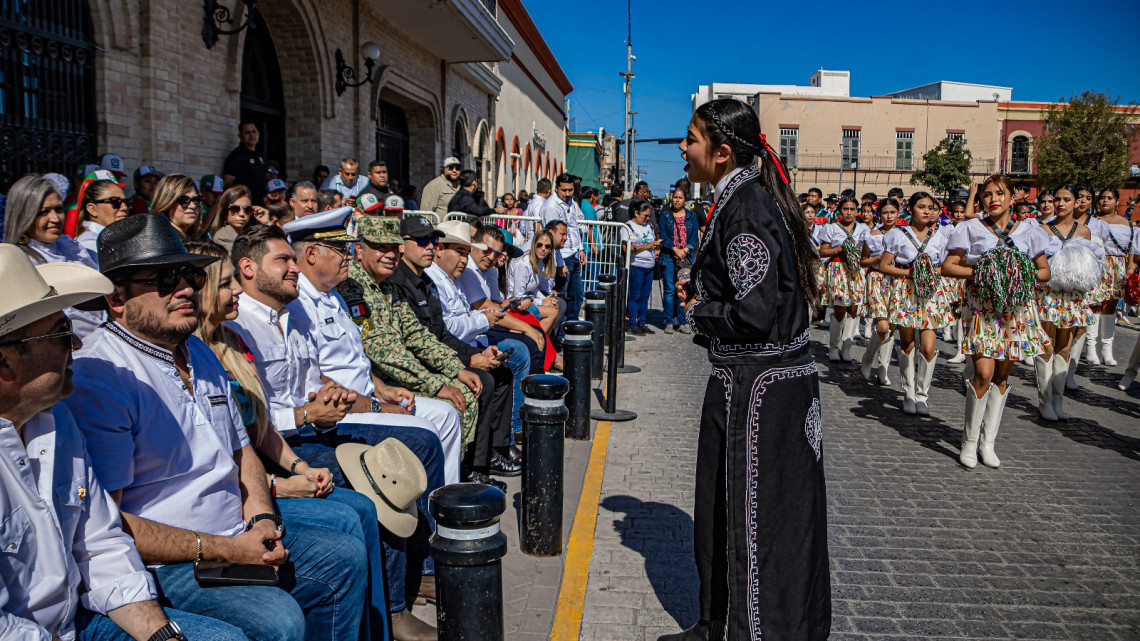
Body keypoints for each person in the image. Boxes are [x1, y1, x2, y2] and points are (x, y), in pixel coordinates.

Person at [64, 214, 368, 641]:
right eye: (166, 279)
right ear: (118, 298)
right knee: (278, 619)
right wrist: (226, 548)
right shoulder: (103, 375)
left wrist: (262, 518)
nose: (187, 288)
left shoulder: (197, 352)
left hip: (235, 534)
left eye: (188, 274)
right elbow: (109, 523)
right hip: (171, 563)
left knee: (345, 555)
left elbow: (242, 450)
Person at [0, 245, 250, 641]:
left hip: (76, 619)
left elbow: (100, 541)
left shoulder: (56, 420)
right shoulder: (96, 381)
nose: (76, 345)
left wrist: (160, 633)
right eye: (62, 333)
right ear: (5, 362)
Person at [225, 225, 447, 641]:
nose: (294, 267)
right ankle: (393, 610)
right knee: (376, 483)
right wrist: (308, 414)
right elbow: (253, 412)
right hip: (283, 442)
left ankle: (419, 572)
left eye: (293, 259)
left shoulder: (289, 315)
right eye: (284, 260)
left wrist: (336, 396)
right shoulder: (240, 328)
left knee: (420, 442)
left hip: (315, 427)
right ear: (248, 268)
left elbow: (310, 375)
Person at [664, 98, 828, 641]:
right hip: (750, 384)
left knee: (759, 521)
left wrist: (701, 311)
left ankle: (754, 631)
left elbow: (754, 314)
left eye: (691, 139)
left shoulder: (748, 207)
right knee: (719, 509)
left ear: (722, 151)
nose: (684, 149)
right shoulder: (741, 202)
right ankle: (715, 622)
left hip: (759, 395)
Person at [335, 217, 487, 468]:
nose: (390, 254)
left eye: (394, 248)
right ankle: (434, 483)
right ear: (359, 250)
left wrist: (456, 367)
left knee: (467, 392)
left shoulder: (387, 287)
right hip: (375, 383)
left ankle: (451, 477)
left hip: (394, 378)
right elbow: (382, 351)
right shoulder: (353, 288)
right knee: (456, 402)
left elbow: (417, 335)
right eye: (381, 247)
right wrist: (436, 384)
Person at [942, 174, 1051, 469]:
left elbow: (1044, 272)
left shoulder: (1030, 230)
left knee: (1002, 376)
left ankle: (988, 442)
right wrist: (985, 272)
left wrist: (1019, 271)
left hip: (1015, 309)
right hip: (982, 306)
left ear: (1012, 198)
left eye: (999, 193)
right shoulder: (970, 227)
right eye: (987, 195)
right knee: (983, 373)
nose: (993, 199)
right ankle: (968, 442)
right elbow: (949, 266)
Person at [3, 174, 105, 338]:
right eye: (44, 212)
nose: (55, 218)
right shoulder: (18, 263)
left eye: (58, 209)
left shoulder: (71, 248)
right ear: (24, 215)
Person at [879, 192, 953, 415]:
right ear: (910, 209)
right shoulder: (897, 235)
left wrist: (929, 271)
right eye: (922, 207)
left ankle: (923, 395)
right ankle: (908, 392)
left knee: (929, 347)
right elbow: (884, 266)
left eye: (930, 207)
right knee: (908, 343)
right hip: (907, 291)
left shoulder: (940, 236)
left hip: (931, 292)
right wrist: (910, 272)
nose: (927, 211)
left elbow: (945, 267)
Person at [1033, 185, 1102, 421]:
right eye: (1057, 199)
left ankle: (1058, 399)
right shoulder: (1042, 230)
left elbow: (1089, 266)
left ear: (1076, 202)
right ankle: (1044, 401)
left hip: (1073, 297)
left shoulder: (1084, 232)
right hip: (1048, 294)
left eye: (1066, 199)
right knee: (1047, 345)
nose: (1061, 204)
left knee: (1065, 347)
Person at [817, 195, 870, 361]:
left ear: (857, 211)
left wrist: (858, 253)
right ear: (840, 211)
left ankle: (846, 348)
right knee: (840, 306)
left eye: (852, 209)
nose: (849, 212)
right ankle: (834, 347)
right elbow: (823, 251)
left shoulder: (863, 229)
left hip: (856, 270)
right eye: (845, 209)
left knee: (854, 308)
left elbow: (867, 252)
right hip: (838, 269)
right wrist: (840, 249)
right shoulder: (831, 228)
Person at [1089, 187, 1131, 366]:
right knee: (1095, 305)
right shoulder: (1091, 221)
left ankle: (1107, 348)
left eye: (1110, 198)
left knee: (1111, 306)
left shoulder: (1125, 222)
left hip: (1118, 266)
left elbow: (1130, 249)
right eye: (1102, 197)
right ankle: (1091, 348)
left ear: (1116, 201)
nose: (1105, 200)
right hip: (1098, 263)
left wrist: (1130, 268)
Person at [859, 198, 899, 385]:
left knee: (891, 327)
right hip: (877, 279)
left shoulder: (903, 234)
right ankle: (868, 357)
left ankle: (883, 367)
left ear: (898, 213)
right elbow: (863, 260)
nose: (889, 216)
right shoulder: (872, 235)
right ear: (880, 214)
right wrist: (878, 258)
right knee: (882, 326)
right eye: (885, 212)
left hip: (897, 280)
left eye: (892, 212)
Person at [540, 173, 587, 320]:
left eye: (570, 190)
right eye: (564, 190)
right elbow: (553, 239)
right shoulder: (551, 206)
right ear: (556, 188)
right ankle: (559, 332)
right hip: (562, 255)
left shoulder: (571, 202)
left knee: (576, 295)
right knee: (560, 295)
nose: (567, 194)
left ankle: (572, 326)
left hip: (573, 253)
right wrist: (559, 263)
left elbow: (575, 225)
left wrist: (581, 249)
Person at [507, 229, 564, 336]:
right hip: (514, 304)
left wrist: (545, 299)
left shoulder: (539, 261)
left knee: (556, 305)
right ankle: (537, 341)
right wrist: (542, 302)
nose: (543, 249)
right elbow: (518, 296)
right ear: (534, 245)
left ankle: (542, 342)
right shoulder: (524, 264)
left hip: (527, 299)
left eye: (547, 247)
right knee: (553, 312)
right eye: (540, 245)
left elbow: (532, 287)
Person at [660, 187, 699, 334]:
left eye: (680, 198)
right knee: (670, 290)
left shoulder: (691, 216)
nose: (677, 200)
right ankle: (669, 321)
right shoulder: (665, 215)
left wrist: (686, 250)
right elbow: (664, 235)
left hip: (686, 257)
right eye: (675, 197)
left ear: (685, 200)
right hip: (669, 256)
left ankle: (682, 322)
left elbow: (694, 236)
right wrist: (675, 249)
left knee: (683, 289)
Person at [624, 198, 662, 334]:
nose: (647, 218)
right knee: (635, 295)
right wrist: (648, 245)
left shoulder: (648, 226)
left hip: (649, 265)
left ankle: (643, 322)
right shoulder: (628, 226)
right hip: (637, 265)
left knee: (645, 296)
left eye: (648, 216)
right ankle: (632, 323)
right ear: (636, 213)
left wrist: (657, 247)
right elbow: (628, 248)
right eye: (645, 215)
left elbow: (652, 240)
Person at [76, 174, 130, 256]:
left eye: (126, 202)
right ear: (92, 209)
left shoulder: (113, 237)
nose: (124, 207)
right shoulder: (89, 245)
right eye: (115, 201)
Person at [209, 185, 265, 253]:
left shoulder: (248, 233)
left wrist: (267, 223)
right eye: (235, 209)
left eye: (247, 209)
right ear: (225, 211)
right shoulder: (223, 237)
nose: (242, 214)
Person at [222, 121, 268, 204]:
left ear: (258, 133)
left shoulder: (259, 155)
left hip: (261, 204)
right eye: (247, 132)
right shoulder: (237, 156)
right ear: (240, 136)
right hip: (246, 206)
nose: (251, 135)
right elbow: (228, 182)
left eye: (254, 132)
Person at [149, 174, 202, 239]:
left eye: (196, 199)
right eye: (184, 200)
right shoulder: (163, 240)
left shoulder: (192, 238)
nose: (193, 206)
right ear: (167, 202)